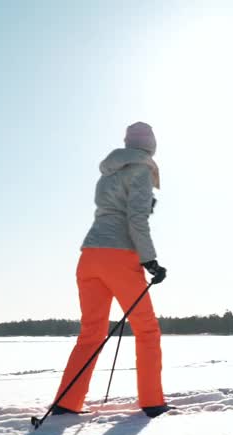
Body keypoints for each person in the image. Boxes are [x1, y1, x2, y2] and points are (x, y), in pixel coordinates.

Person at [50, 121, 170, 418]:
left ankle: (67, 403)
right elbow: (136, 218)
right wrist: (150, 259)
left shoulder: (108, 172)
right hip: (120, 255)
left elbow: (113, 208)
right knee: (147, 330)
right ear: (150, 146)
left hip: (90, 255)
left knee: (91, 333)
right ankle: (153, 402)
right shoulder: (142, 169)